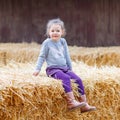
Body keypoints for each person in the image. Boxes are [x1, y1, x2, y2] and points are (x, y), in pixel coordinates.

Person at [33, 18, 96, 112]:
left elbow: (67, 56)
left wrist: (70, 69)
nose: (55, 33)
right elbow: (41, 57)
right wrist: (37, 69)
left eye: (58, 31)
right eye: (52, 31)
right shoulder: (47, 43)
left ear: (62, 32)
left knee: (78, 79)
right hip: (53, 69)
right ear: (48, 32)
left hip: (64, 68)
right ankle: (71, 102)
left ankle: (84, 104)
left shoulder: (63, 42)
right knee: (65, 78)